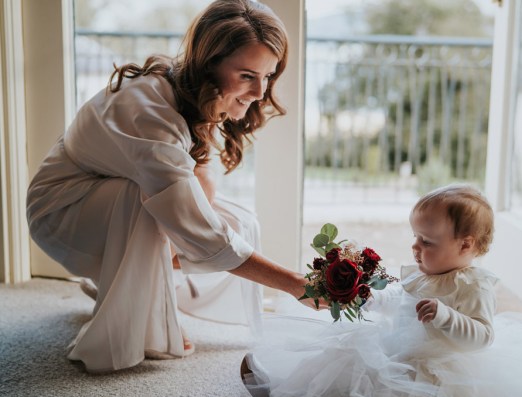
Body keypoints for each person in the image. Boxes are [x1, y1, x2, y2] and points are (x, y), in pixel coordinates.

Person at [26, 0, 313, 373]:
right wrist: (294, 284)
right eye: (246, 76)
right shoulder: (148, 112)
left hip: (100, 198)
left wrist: (180, 240)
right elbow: (199, 229)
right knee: (152, 206)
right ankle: (131, 306)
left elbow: (198, 191)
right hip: (61, 211)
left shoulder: (188, 92)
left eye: (269, 75)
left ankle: (123, 285)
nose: (260, 91)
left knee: (238, 221)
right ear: (208, 64)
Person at [242, 184, 522, 397]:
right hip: (397, 347)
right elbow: (399, 302)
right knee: (348, 360)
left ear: (465, 245)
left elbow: (483, 336)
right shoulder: (423, 272)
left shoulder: (471, 285)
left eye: (426, 241)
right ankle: (290, 384)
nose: (415, 247)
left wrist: (446, 316)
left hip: (442, 365)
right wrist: (371, 297)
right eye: (415, 237)